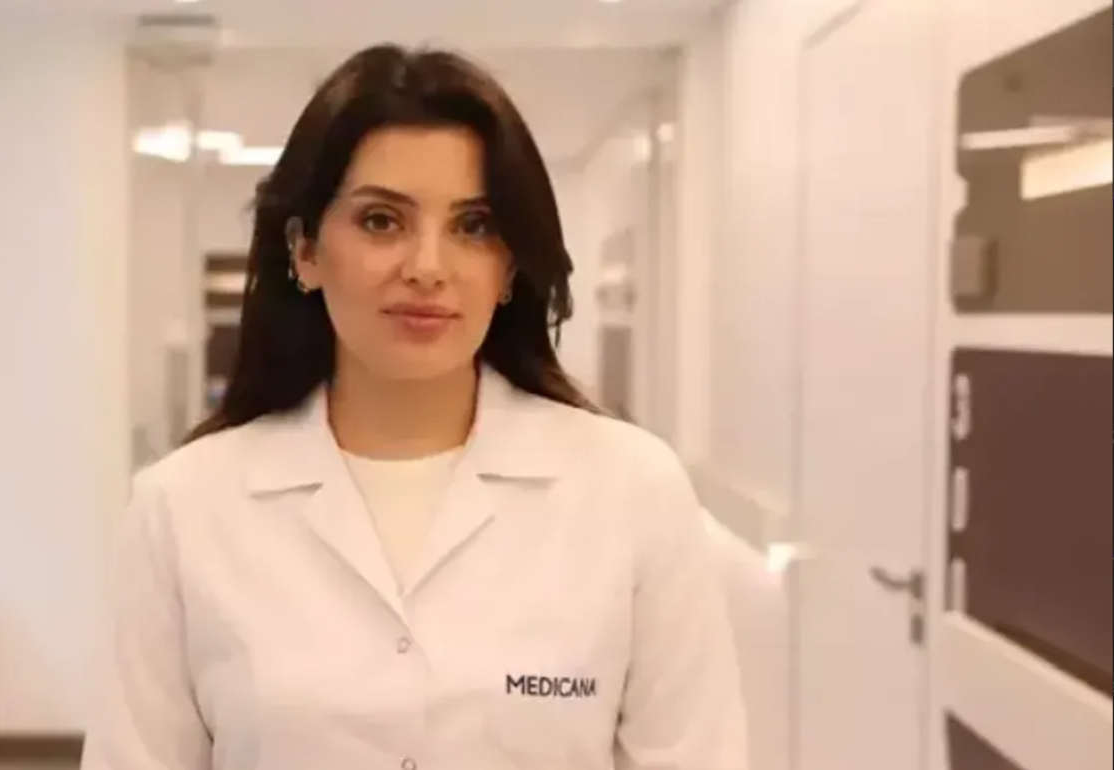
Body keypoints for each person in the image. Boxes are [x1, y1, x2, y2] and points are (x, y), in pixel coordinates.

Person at [81, 43, 747, 770]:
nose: (428, 267)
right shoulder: (182, 508)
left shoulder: (632, 490)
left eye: (473, 226)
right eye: (381, 221)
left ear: (508, 268)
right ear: (304, 250)